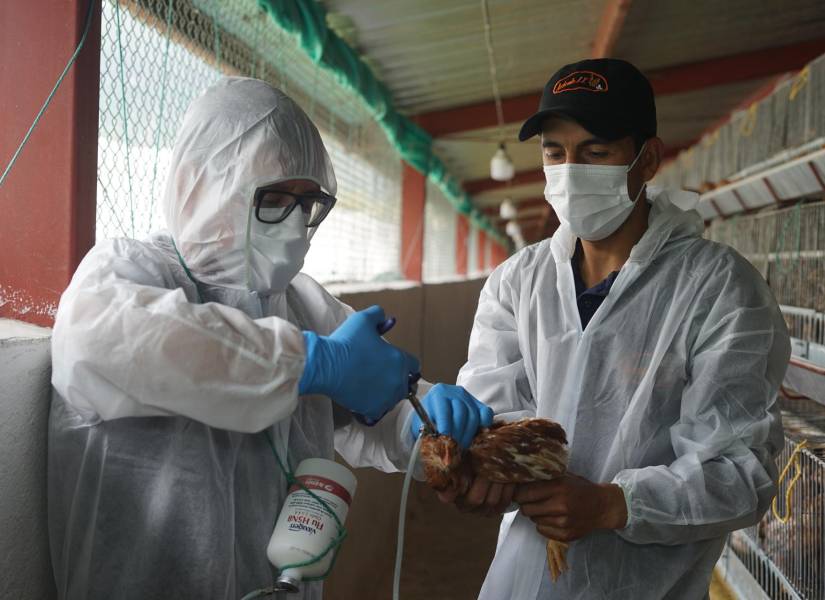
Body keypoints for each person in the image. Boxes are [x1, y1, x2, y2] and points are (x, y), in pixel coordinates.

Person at [48, 77, 489, 600]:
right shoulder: (133, 271)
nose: (296, 226)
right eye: (275, 198)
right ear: (200, 182)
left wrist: (422, 426)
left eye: (307, 205)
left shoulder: (301, 302)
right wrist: (307, 364)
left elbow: (370, 409)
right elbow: (103, 340)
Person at [415, 59, 791, 599]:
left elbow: (740, 472)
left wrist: (616, 503)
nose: (571, 171)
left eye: (596, 152)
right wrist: (478, 472)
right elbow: (492, 412)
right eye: (555, 153)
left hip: (646, 584)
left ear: (648, 160)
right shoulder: (517, 283)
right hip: (522, 577)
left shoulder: (718, 288)